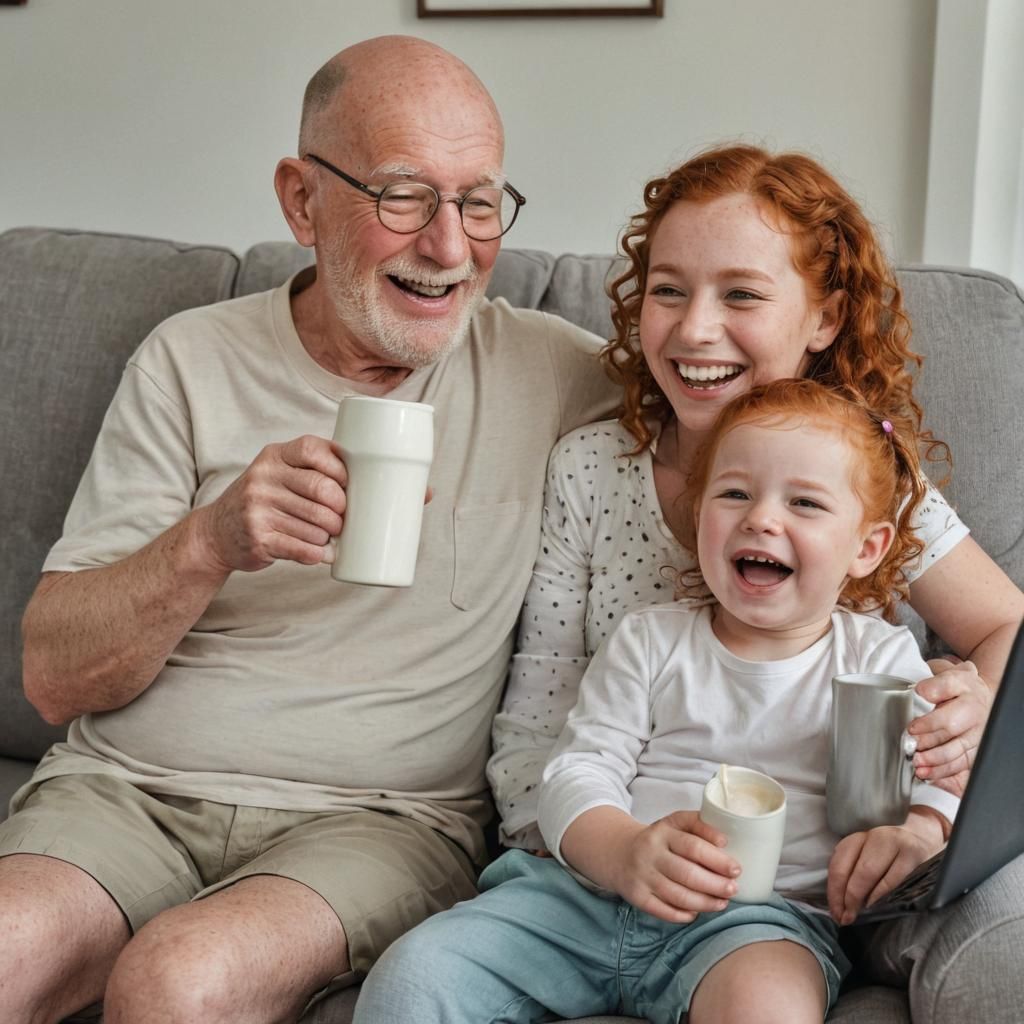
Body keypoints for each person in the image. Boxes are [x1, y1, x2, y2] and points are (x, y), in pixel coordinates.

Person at [0, 36, 619, 1024]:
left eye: (479, 200)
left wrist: (966, 639)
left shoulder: (548, 370)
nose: (451, 247)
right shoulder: (188, 361)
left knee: (176, 979)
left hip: (379, 822)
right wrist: (209, 542)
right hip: (126, 793)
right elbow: (51, 678)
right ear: (301, 200)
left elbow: (748, 412)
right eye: (405, 195)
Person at [353, 379, 961, 1024]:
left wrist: (924, 827)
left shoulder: (880, 659)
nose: (761, 517)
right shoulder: (650, 639)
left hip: (755, 924)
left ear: (866, 548)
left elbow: (938, 779)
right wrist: (623, 853)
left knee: (771, 1007)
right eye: (734, 494)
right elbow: (578, 772)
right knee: (414, 976)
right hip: (580, 899)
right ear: (699, 516)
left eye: (805, 503)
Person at [488, 143, 1020, 853]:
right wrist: (566, 859)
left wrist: (979, 705)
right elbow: (539, 710)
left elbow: (1005, 627)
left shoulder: (865, 476)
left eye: (741, 295)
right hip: (604, 858)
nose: (695, 329)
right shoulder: (591, 470)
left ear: (824, 321)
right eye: (669, 290)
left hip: (815, 874)